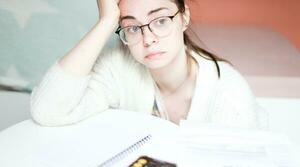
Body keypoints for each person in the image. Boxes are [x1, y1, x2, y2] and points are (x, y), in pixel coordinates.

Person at [30, 0, 267, 129]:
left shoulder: (229, 93)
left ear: (184, 17)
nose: (148, 39)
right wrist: (105, 22)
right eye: (132, 27)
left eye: (161, 21)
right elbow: (48, 110)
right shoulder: (119, 66)